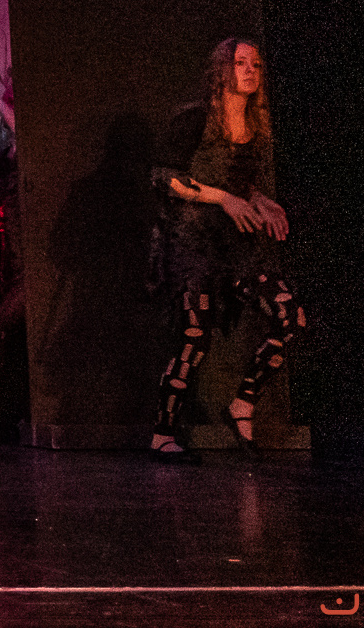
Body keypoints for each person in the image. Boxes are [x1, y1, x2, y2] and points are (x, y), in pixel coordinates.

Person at [147, 39, 303, 461]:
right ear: (222, 70)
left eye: (256, 64)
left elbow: (237, 181)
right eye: (240, 63)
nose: (250, 70)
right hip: (193, 244)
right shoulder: (195, 118)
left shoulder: (253, 125)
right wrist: (225, 199)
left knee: (289, 317)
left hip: (235, 246)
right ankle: (162, 433)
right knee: (194, 337)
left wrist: (259, 199)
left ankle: (242, 403)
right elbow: (166, 177)